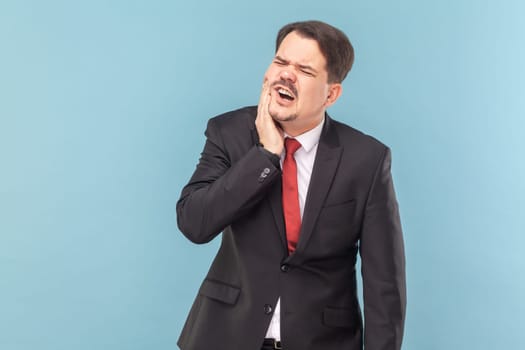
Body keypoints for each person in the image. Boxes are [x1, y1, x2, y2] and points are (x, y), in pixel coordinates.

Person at [176, 20, 406, 350]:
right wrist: (265, 156)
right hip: (225, 337)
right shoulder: (229, 132)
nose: (286, 74)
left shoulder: (366, 160)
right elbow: (194, 223)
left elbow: (385, 284)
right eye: (281, 62)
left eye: (304, 70)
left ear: (331, 93)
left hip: (323, 341)